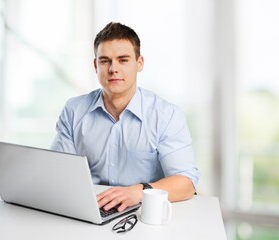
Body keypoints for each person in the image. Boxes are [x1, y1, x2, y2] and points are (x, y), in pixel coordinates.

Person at [51, 22, 200, 213]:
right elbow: (58, 172)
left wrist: (140, 192)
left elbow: (186, 183)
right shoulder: (74, 111)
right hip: (90, 210)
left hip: (143, 212)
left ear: (139, 63)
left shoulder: (166, 115)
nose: (113, 69)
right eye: (105, 61)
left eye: (123, 60)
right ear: (95, 65)